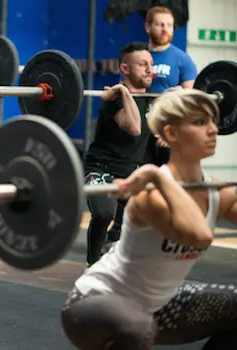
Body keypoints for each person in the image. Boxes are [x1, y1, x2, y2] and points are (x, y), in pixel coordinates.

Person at [62, 88, 237, 349]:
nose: (212, 129)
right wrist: (155, 176)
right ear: (170, 134)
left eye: (213, 121)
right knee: (137, 328)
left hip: (159, 309)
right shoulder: (150, 196)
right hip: (95, 304)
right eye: (200, 122)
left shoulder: (217, 193)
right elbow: (198, 235)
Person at [83, 41, 154, 268]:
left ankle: (118, 254)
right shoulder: (113, 102)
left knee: (148, 221)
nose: (149, 69)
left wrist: (179, 96)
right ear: (125, 69)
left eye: (150, 64)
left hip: (130, 175)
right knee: (104, 213)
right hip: (101, 170)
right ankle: (92, 265)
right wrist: (123, 90)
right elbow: (134, 128)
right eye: (142, 65)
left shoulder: (153, 100)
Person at [144, 5, 199, 166]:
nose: (165, 29)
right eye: (160, 24)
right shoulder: (137, 57)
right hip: (140, 130)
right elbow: (126, 89)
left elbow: (190, 102)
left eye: (169, 25)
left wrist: (172, 130)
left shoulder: (183, 60)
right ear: (148, 27)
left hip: (166, 129)